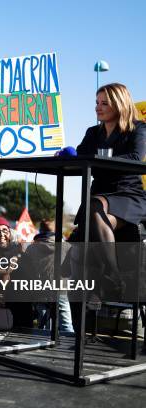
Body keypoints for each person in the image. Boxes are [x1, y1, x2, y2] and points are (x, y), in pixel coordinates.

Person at [75, 83, 146, 299]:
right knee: (93, 209)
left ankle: (114, 277)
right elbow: (81, 155)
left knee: (95, 207)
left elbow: (136, 157)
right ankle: (109, 281)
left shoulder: (138, 128)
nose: (98, 107)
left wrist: (101, 160)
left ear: (119, 103)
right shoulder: (92, 132)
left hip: (129, 194)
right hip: (100, 194)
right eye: (97, 102)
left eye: (104, 103)